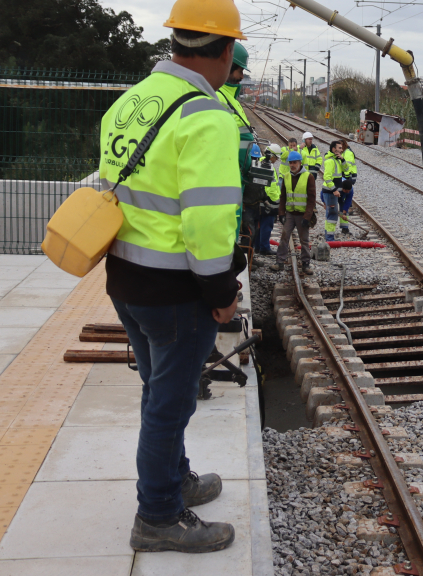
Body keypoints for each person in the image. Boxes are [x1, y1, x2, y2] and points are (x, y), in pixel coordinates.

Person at [100, 0, 245, 553]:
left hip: (126, 279)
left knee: (158, 389)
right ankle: (157, 515)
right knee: (171, 401)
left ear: (176, 40)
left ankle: (174, 477)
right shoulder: (205, 115)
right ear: (226, 50)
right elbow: (207, 218)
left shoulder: (132, 101)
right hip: (175, 291)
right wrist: (221, 292)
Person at [216, 42, 254, 235]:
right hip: (226, 183)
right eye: (240, 71)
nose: (241, 76)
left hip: (235, 179)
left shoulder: (230, 98)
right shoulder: (218, 99)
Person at [271, 151, 316, 274]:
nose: (292, 165)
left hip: (302, 215)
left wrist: (307, 217)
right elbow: (283, 197)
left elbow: (311, 199)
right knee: (284, 237)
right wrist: (281, 213)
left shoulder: (309, 177)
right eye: (290, 162)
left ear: (300, 162)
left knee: (304, 240)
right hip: (290, 214)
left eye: (294, 162)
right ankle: (279, 262)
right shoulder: (286, 176)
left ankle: (306, 264)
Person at [257, 145, 282, 255]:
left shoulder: (259, 162)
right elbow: (272, 187)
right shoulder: (268, 167)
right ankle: (264, 248)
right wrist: (277, 201)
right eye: (275, 157)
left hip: (260, 199)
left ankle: (257, 246)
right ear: (271, 155)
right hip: (269, 202)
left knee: (258, 225)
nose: (276, 160)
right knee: (267, 225)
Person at [321, 141, 345, 241]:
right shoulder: (330, 161)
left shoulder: (338, 160)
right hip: (330, 192)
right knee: (332, 213)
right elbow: (326, 177)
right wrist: (334, 189)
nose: (341, 150)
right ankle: (330, 238)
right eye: (339, 148)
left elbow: (347, 169)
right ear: (333, 149)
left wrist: (343, 160)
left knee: (330, 213)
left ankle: (328, 235)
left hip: (332, 192)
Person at [339, 140, 357, 235]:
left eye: (341, 147)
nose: (339, 149)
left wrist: (345, 211)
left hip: (347, 178)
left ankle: (344, 228)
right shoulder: (343, 153)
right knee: (335, 208)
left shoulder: (348, 153)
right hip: (342, 180)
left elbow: (348, 167)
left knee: (344, 205)